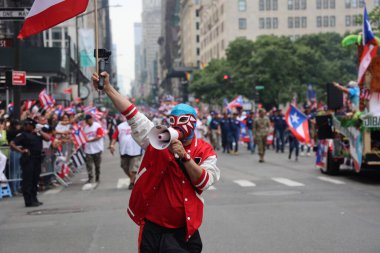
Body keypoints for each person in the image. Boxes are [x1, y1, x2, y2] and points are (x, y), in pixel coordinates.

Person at [92, 71, 220, 253]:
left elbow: (204, 182)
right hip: (154, 225)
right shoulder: (158, 139)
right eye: (173, 121)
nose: (177, 125)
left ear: (193, 122)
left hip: (184, 228)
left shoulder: (204, 150)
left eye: (182, 120)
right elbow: (132, 114)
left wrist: (185, 157)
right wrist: (108, 89)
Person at [10, 118, 51, 207]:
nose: (25, 126)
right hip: (28, 159)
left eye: (27, 124)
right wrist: (21, 151)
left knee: (35, 179)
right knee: (28, 180)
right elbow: (12, 144)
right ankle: (28, 201)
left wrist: (40, 131)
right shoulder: (23, 135)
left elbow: (48, 138)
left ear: (32, 125)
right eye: (25, 124)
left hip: (37, 159)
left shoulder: (37, 134)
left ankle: (34, 198)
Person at [109, 120, 143, 190]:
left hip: (136, 151)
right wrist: (112, 145)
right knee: (124, 167)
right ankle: (132, 178)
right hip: (124, 151)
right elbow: (115, 137)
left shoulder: (138, 125)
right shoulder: (120, 126)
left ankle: (132, 182)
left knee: (133, 169)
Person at [83, 114, 104, 183]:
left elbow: (99, 137)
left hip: (97, 149)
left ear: (91, 119)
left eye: (87, 120)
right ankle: (90, 178)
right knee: (89, 165)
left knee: (97, 165)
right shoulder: (85, 128)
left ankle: (97, 177)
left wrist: (89, 140)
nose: (86, 122)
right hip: (88, 150)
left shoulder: (97, 126)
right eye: (85, 120)